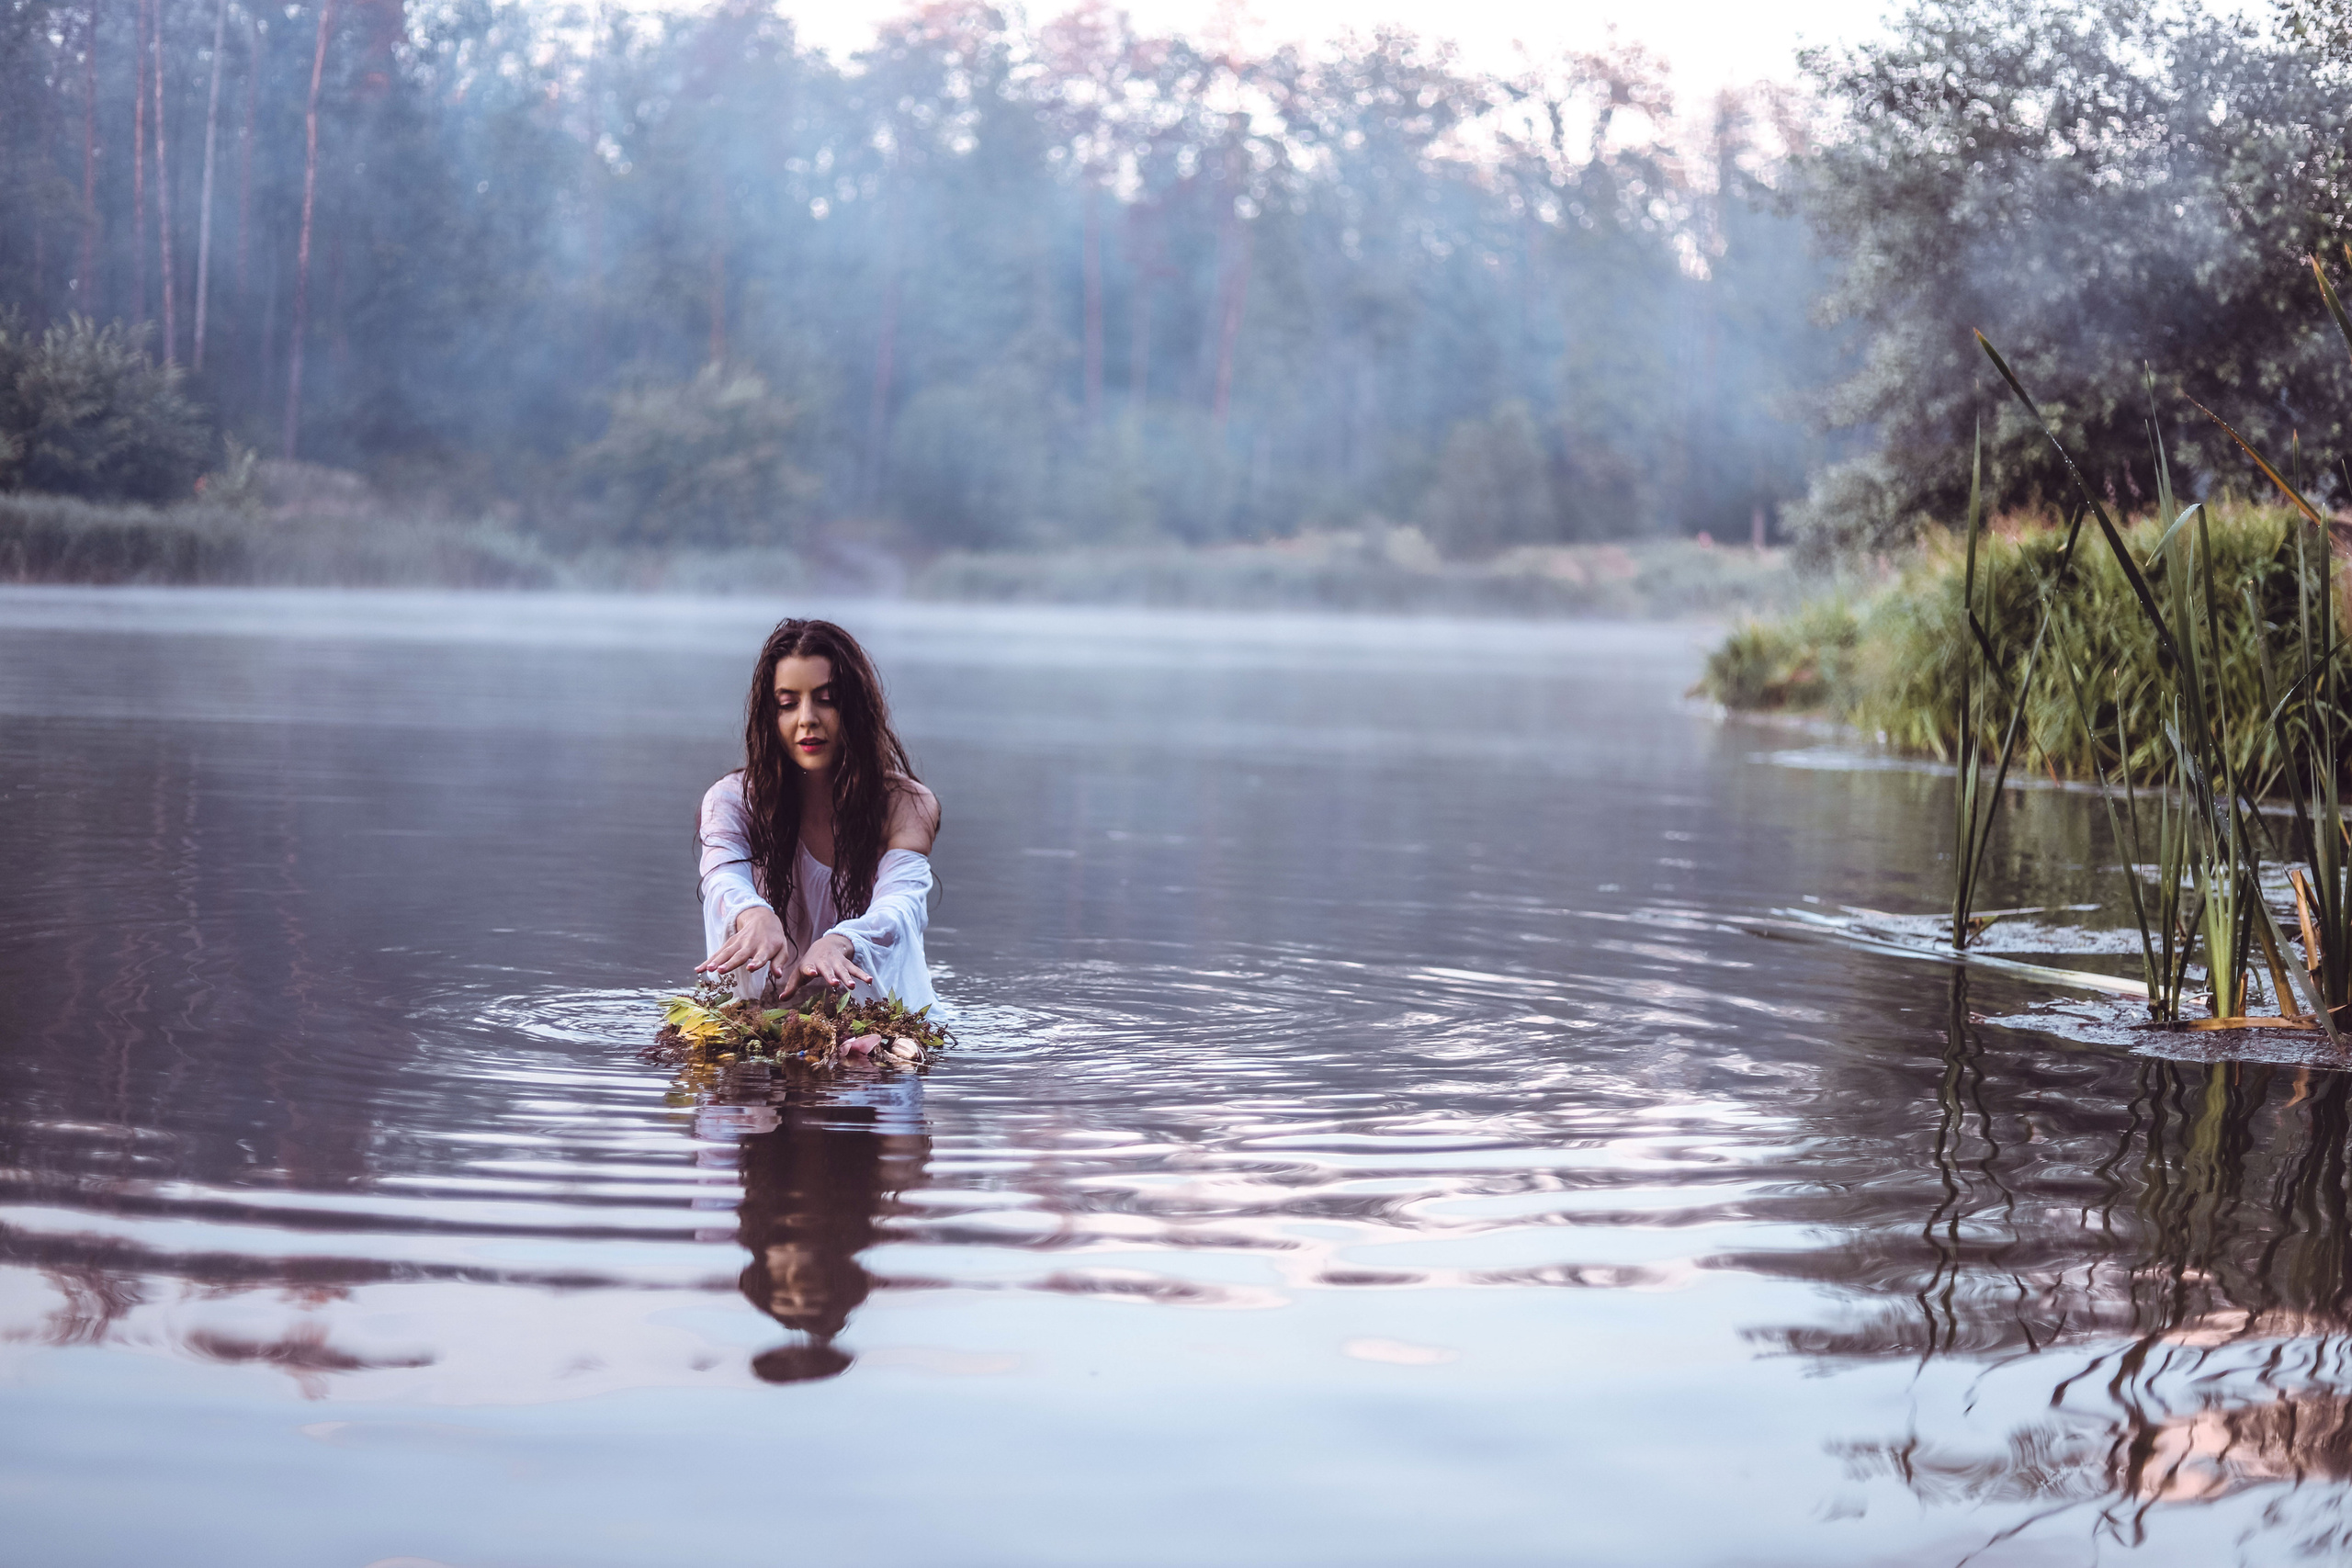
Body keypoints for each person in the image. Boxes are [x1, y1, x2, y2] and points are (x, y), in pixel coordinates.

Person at [695, 619, 941, 1019]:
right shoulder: (731, 801)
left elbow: (901, 908)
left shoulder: (905, 804)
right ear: (769, 717)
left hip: (873, 1020)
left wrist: (843, 941)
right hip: (763, 1019)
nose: (807, 718)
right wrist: (753, 913)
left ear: (855, 709)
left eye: (826, 699)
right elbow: (722, 879)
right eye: (788, 704)